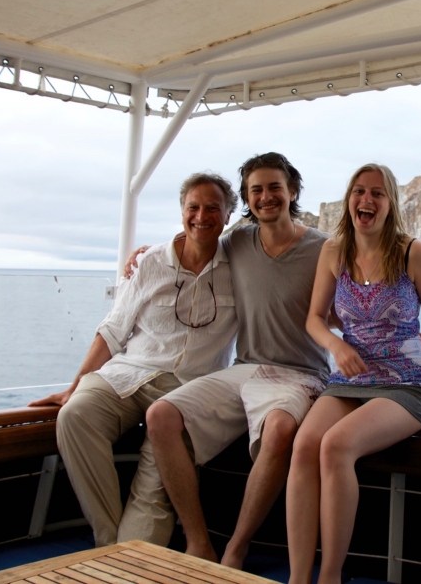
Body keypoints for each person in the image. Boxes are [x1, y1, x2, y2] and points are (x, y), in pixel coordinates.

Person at [286, 163, 421, 584]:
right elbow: (314, 320)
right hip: (351, 377)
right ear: (349, 200)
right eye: (359, 191)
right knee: (305, 443)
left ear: (390, 203)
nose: (367, 200)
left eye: (378, 193)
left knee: (336, 446)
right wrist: (336, 345)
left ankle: (329, 577)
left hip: (405, 382)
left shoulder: (412, 252)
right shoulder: (333, 253)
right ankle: (297, 577)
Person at [139, 153, 330, 568]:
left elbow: (363, 297)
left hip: (301, 374)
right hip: (245, 367)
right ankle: (198, 542)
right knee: (160, 417)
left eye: (274, 187)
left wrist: (406, 338)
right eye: (256, 190)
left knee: (280, 430)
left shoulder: (325, 248)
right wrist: (146, 255)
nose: (265, 197)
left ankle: (236, 547)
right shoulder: (238, 241)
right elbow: (193, 241)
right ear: (246, 197)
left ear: (292, 191)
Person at [29, 172, 239, 548]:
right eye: (193, 206)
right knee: (75, 416)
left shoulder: (241, 267)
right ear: (181, 211)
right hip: (128, 374)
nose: (201, 216)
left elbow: (281, 235)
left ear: (227, 216)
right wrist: (75, 385)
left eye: (213, 208)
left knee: (150, 504)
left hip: (186, 392)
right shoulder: (151, 262)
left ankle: (126, 551)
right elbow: (113, 329)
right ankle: (111, 543)